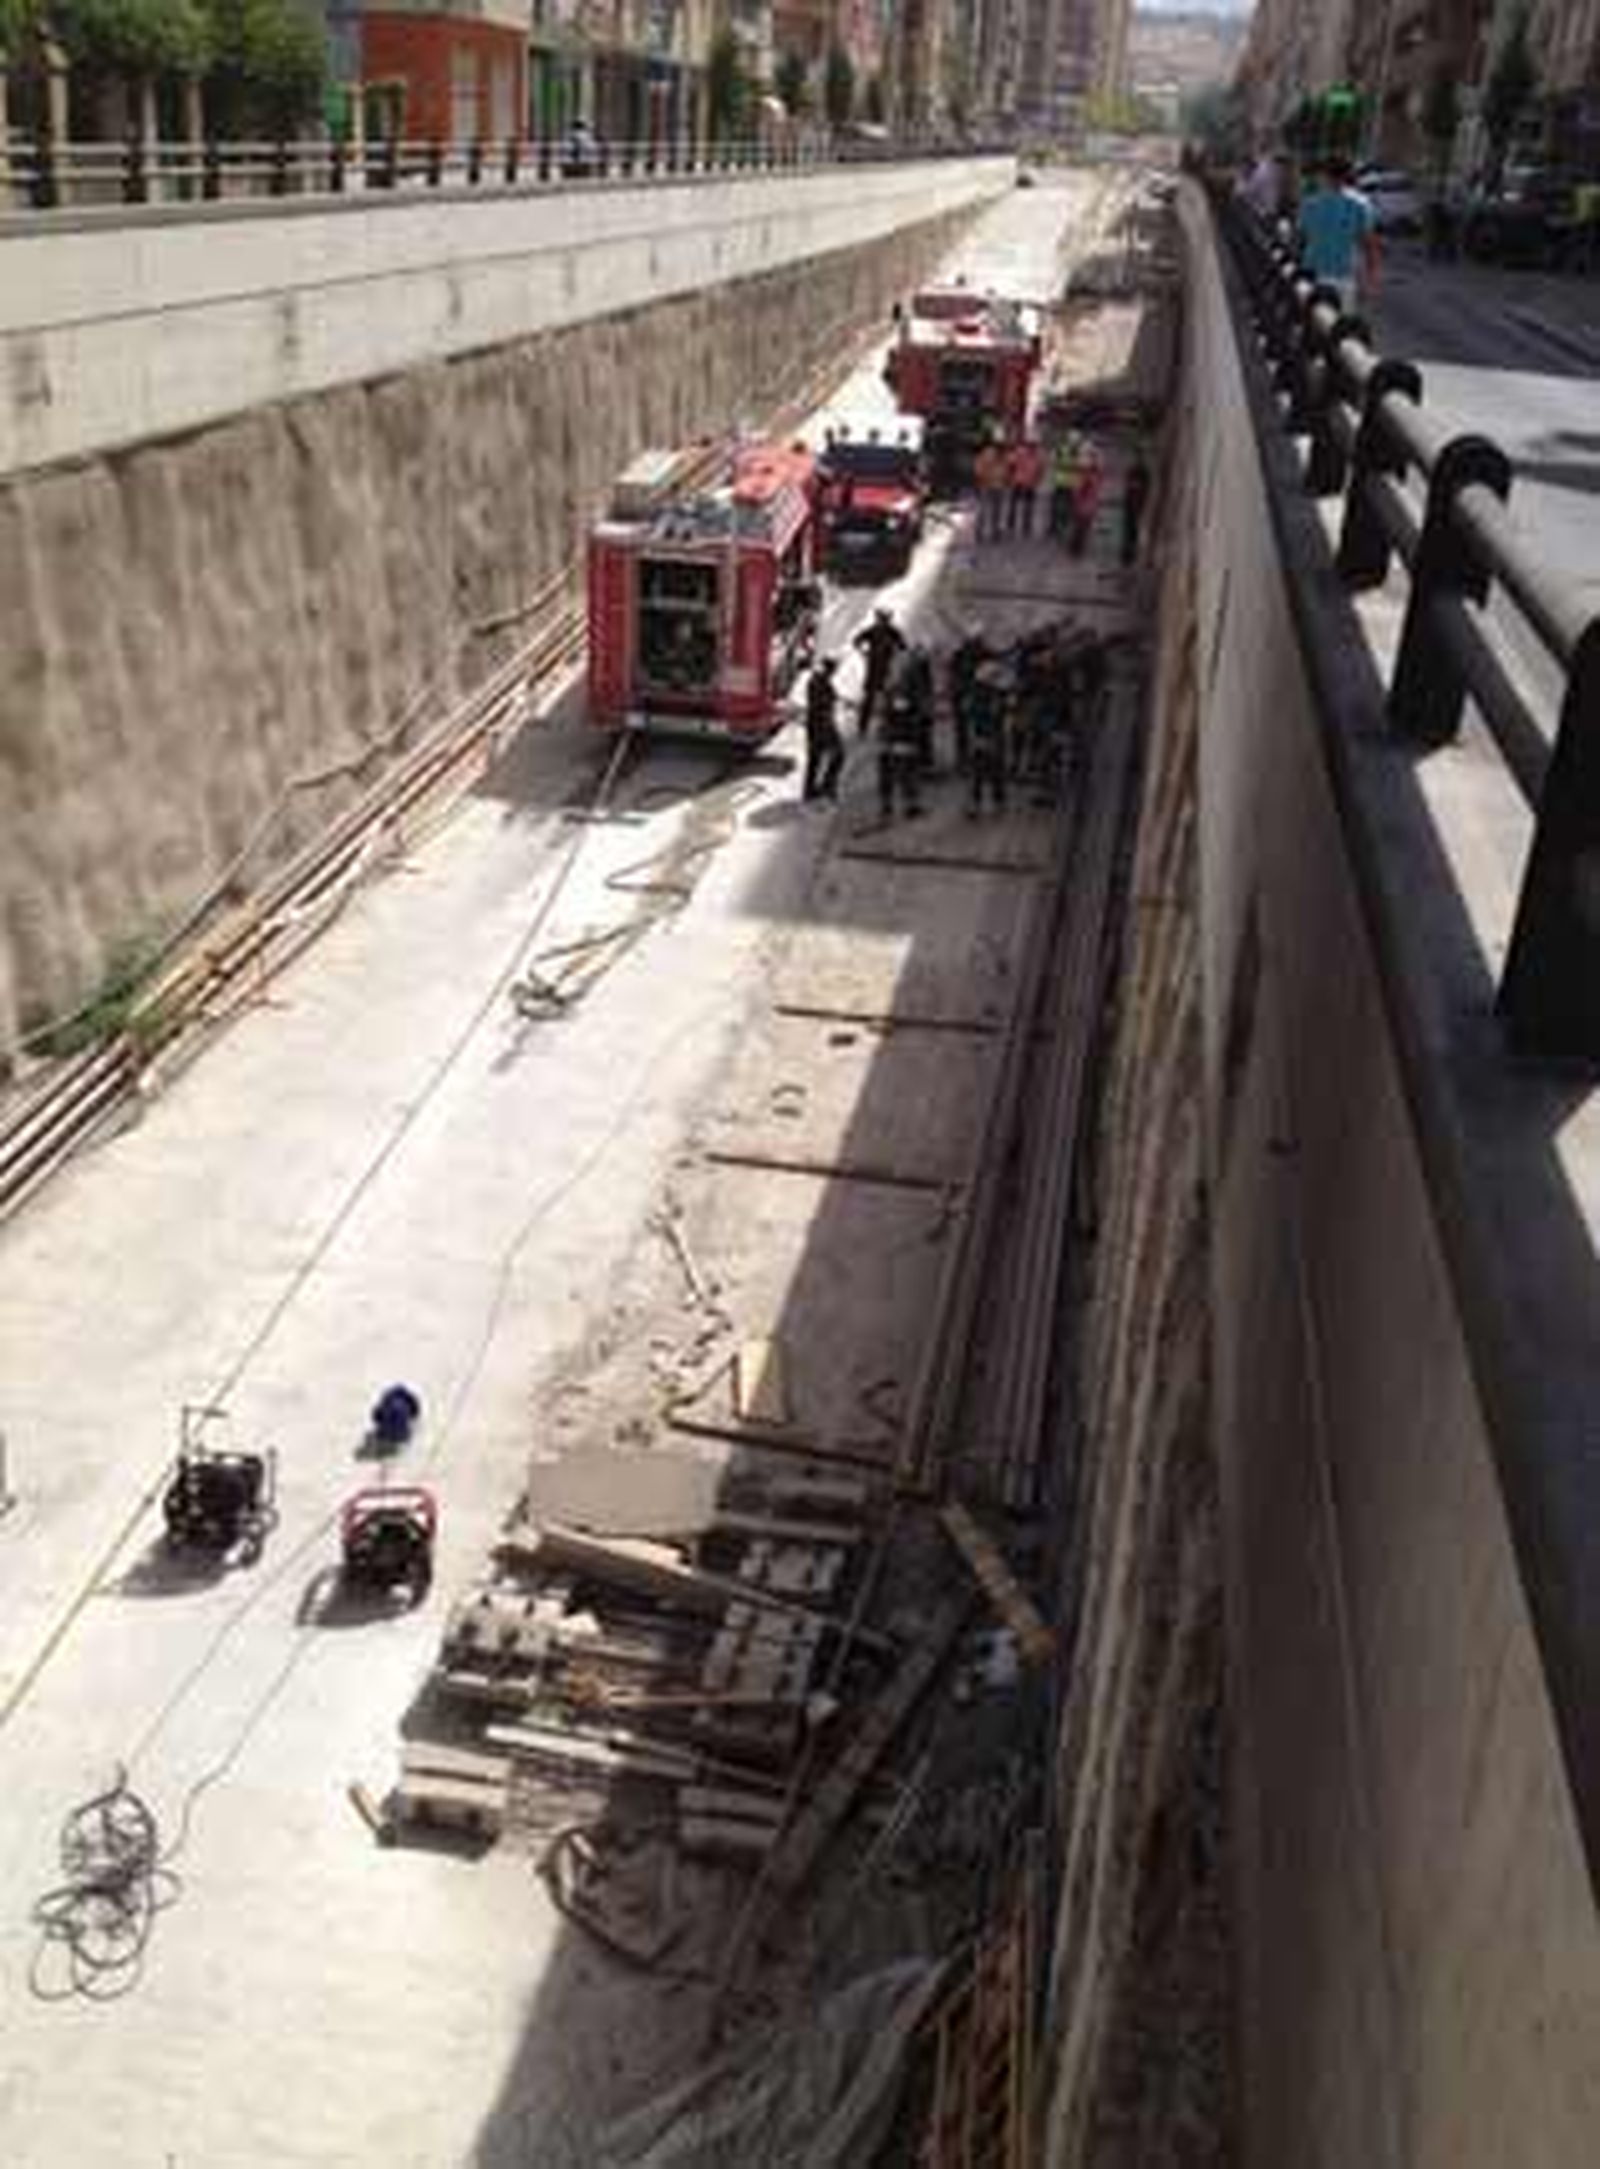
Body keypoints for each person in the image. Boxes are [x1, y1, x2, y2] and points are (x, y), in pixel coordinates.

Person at [1297, 156, 1379, 312]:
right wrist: (1370, 281)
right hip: (1346, 276)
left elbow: (1301, 239)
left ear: (1324, 176)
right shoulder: (1360, 204)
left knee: (1314, 321)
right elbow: (1369, 244)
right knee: (1342, 327)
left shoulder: (1310, 204)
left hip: (1314, 274)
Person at [878, 675, 924, 823]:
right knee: (906, 776)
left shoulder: (888, 707)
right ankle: (906, 806)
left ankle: (889, 806)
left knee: (894, 777)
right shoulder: (901, 704)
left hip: (893, 743)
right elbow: (905, 723)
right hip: (900, 743)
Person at [853, 607, 906, 735]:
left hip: (881, 668)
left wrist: (865, 652)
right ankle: (864, 726)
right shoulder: (878, 631)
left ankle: (880, 725)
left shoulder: (889, 631)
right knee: (875, 699)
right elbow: (856, 641)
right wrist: (864, 652)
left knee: (883, 698)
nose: (883, 622)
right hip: (876, 668)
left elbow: (903, 645)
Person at [967, 660, 1009, 816]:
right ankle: (976, 802)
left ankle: (996, 801)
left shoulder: (998, 693)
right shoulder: (978, 692)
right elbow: (974, 712)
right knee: (980, 771)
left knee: (994, 770)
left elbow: (1001, 713)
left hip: (994, 735)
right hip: (983, 734)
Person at [802, 657, 844, 803]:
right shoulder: (819, 682)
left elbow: (831, 697)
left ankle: (810, 790)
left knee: (815, 759)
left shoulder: (819, 680)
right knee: (838, 755)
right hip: (822, 725)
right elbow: (822, 702)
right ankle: (827, 786)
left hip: (815, 725)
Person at [947, 633, 987, 775]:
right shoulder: (959, 655)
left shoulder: (983, 653)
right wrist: (960, 692)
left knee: (979, 729)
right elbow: (953, 675)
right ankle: (963, 760)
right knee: (963, 730)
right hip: (963, 695)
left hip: (978, 696)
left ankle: (977, 760)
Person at [1070, 440, 1104, 558]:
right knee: (1081, 528)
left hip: (1085, 505)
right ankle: (1076, 549)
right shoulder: (1091, 475)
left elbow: (1081, 490)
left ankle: (1076, 549)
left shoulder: (1090, 475)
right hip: (1086, 505)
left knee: (1080, 528)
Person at [1006, 434, 1045, 539]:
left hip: (1030, 484)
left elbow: (1041, 469)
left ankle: (1026, 527)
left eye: (1034, 445)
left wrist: (1038, 480)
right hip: (1018, 481)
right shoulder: (1020, 452)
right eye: (1031, 445)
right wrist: (1010, 477)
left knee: (1028, 506)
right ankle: (1011, 526)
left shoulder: (1039, 455)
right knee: (1013, 505)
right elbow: (1011, 464)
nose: (1032, 447)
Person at [974, 436, 1008, 542]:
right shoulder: (995, 456)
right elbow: (1004, 470)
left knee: (985, 510)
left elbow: (978, 471)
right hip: (993, 485)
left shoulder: (983, 456)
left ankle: (981, 533)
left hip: (989, 485)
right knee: (994, 511)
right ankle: (993, 533)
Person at [1121, 453, 1151, 568]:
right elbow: (1128, 485)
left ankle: (1130, 554)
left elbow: (1146, 488)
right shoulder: (1133, 471)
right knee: (1128, 531)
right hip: (1131, 505)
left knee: (1133, 531)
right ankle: (1126, 554)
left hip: (1138, 506)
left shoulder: (1144, 473)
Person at [1048, 432, 1080, 541]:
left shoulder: (1078, 452)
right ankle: (1054, 526)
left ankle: (1062, 526)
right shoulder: (1061, 449)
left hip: (1070, 483)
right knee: (1057, 505)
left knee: (1066, 507)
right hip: (1061, 482)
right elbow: (1052, 460)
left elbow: (1083, 465)